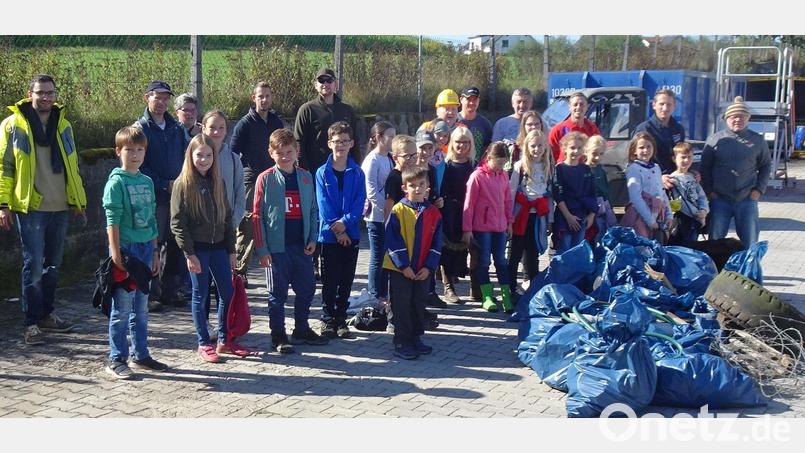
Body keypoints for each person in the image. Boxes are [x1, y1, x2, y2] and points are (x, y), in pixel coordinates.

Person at [0, 74, 86, 345]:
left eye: (50, 92)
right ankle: (31, 323)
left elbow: (73, 166)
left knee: (53, 265)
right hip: (31, 207)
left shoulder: (64, 125)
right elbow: (5, 167)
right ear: (30, 93)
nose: (46, 97)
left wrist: (78, 201)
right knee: (33, 265)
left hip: (61, 206)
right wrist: (3, 204)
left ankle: (47, 315)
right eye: (41, 92)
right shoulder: (13, 125)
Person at [170, 134, 246, 363]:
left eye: (208, 155)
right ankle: (204, 343)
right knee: (200, 295)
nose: (204, 159)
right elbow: (177, 223)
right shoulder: (182, 184)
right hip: (198, 250)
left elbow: (227, 218)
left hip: (220, 249)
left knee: (227, 292)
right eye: (199, 155)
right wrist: (189, 253)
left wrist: (232, 250)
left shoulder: (219, 182)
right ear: (190, 156)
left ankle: (224, 339)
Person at [253, 128, 329, 353]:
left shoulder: (305, 177)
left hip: (301, 246)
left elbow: (314, 210)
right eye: (280, 153)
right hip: (276, 249)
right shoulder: (265, 179)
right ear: (271, 153)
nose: (285, 157)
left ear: (297, 151)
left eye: (289, 151)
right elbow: (257, 215)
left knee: (306, 289)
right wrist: (262, 248)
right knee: (277, 295)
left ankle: (301, 329)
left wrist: (313, 238)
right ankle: (278, 335)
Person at [102, 126, 168, 378]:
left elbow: (151, 217)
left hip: (145, 248)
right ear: (119, 151)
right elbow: (112, 221)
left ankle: (141, 354)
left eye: (140, 150)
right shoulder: (116, 182)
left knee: (142, 307)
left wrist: (154, 250)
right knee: (122, 308)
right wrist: (116, 253)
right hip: (126, 250)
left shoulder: (147, 181)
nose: (135, 154)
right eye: (130, 150)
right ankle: (116, 357)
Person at [136, 80, 189, 311]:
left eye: (166, 98)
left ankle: (171, 290)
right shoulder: (140, 129)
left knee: (176, 244)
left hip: (177, 196)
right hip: (153, 197)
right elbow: (138, 165)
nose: (162, 102)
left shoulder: (176, 128)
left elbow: (187, 157)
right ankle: (151, 292)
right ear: (147, 97)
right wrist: (162, 184)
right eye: (157, 97)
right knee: (153, 245)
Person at [383, 167, 443, 360]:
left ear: (428, 187)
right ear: (404, 188)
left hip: (422, 269)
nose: (417, 189)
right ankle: (401, 341)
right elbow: (393, 240)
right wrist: (404, 266)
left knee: (418, 303)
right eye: (412, 185)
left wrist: (429, 267)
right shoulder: (398, 210)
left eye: (421, 185)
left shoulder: (433, 213)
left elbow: (436, 242)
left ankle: (415, 337)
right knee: (401, 305)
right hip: (401, 270)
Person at [315, 121, 366, 339]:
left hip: (351, 233)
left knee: (346, 279)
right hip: (329, 236)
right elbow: (323, 204)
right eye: (337, 141)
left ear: (352, 143)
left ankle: (341, 319)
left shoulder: (357, 172)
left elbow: (359, 203)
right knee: (330, 279)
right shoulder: (321, 173)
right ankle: (327, 319)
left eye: (345, 141)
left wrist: (346, 224)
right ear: (329, 143)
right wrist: (338, 229)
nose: (341, 145)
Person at [230, 81, 285, 279]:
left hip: (273, 178)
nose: (264, 100)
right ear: (254, 98)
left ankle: (276, 268)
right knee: (248, 224)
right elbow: (233, 152)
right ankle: (239, 271)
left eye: (267, 96)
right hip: (251, 179)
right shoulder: (245, 124)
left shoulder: (276, 122)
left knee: (273, 221)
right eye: (260, 96)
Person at [700, 96, 771, 248]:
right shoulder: (715, 139)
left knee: (750, 243)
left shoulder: (758, 140)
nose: (737, 120)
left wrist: (759, 190)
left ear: (748, 118)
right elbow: (704, 168)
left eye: (741, 116)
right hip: (720, 199)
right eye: (733, 117)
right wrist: (709, 192)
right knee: (714, 242)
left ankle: (749, 271)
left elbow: (766, 166)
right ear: (726, 119)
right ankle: (715, 270)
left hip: (747, 199)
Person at [200, 110, 246, 337]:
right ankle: (204, 326)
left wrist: (233, 223)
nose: (216, 132)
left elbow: (240, 194)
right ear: (203, 129)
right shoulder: (196, 155)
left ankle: (225, 326)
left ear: (226, 131)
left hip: (225, 231)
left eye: (221, 128)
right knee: (202, 284)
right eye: (211, 127)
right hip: (201, 232)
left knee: (224, 282)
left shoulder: (234, 160)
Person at [463, 142, 514, 313]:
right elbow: (469, 204)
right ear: (489, 158)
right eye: (499, 162)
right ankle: (486, 296)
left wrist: (509, 221)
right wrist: (467, 228)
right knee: (484, 261)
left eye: (504, 163)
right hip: (482, 227)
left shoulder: (504, 175)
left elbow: (507, 200)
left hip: (500, 227)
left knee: (501, 260)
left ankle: (506, 297)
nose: (501, 167)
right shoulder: (477, 176)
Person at [508, 129, 553, 293]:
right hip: (520, 215)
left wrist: (550, 219)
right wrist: (509, 219)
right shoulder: (520, 167)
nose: (536, 149)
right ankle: (510, 290)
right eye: (533, 146)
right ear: (527, 147)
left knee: (533, 255)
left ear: (545, 147)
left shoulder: (548, 167)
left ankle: (532, 290)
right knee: (514, 254)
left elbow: (550, 196)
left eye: (540, 145)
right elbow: (511, 193)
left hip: (538, 217)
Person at [295, 68, 359, 174]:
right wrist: (304, 170)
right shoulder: (307, 110)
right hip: (315, 171)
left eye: (329, 80)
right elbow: (299, 142)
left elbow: (355, 140)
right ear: (316, 85)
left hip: (345, 171)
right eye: (321, 81)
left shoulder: (347, 110)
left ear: (336, 84)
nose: (325, 84)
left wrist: (356, 166)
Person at [439, 127, 476, 304]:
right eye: (458, 142)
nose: (461, 145)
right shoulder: (445, 166)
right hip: (449, 212)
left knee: (473, 250)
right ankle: (449, 288)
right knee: (447, 251)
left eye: (465, 142)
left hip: (470, 212)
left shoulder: (474, 166)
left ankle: (475, 289)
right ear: (452, 143)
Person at [361, 121, 396, 303]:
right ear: (378, 138)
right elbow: (371, 190)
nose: (393, 140)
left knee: (387, 255)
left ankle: (384, 292)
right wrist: (385, 210)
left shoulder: (390, 158)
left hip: (390, 215)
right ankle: (374, 293)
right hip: (376, 216)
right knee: (377, 255)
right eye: (389, 136)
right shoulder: (372, 160)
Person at [620, 132, 673, 242]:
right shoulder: (633, 168)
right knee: (642, 246)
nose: (645, 150)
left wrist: (669, 214)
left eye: (649, 146)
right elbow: (636, 197)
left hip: (658, 213)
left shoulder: (656, 167)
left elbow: (661, 192)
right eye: (641, 147)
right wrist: (650, 221)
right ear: (634, 150)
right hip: (640, 216)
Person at [414, 129, 446, 308]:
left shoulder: (432, 170)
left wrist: (438, 200)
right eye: (423, 148)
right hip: (414, 217)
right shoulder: (411, 170)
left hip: (430, 216)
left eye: (430, 148)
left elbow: (435, 194)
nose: (426, 152)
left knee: (431, 253)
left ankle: (431, 291)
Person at [552, 132, 598, 253]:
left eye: (579, 148)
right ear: (564, 148)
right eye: (572, 147)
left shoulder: (586, 169)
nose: (576, 151)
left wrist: (591, 215)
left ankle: (575, 272)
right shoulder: (559, 169)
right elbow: (558, 195)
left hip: (582, 216)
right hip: (564, 216)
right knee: (564, 249)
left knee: (578, 250)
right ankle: (562, 272)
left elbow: (592, 193)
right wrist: (568, 216)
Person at [634, 89, 686, 185]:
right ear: (654, 105)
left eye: (669, 104)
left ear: (674, 106)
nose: (665, 108)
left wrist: (690, 172)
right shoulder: (644, 129)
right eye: (661, 104)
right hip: (651, 183)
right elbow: (636, 160)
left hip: (674, 181)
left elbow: (682, 154)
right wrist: (659, 177)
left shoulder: (678, 129)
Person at [667, 142, 709, 245]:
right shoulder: (672, 179)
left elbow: (701, 196)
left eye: (689, 157)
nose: (686, 160)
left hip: (695, 220)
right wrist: (695, 213)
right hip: (681, 219)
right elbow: (677, 203)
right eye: (683, 157)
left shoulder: (693, 177)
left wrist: (704, 211)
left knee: (693, 246)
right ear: (674, 159)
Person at [548, 92, 601, 163]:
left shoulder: (592, 129)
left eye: (581, 104)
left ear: (587, 107)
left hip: (586, 170)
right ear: (569, 107)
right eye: (575, 105)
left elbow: (597, 151)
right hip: (564, 171)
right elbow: (551, 156)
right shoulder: (558, 130)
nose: (578, 107)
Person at [584, 135, 616, 245]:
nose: (597, 157)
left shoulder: (600, 170)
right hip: (589, 211)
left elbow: (606, 191)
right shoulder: (583, 170)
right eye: (594, 153)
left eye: (601, 154)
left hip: (603, 210)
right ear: (586, 151)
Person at [457, 86, 493, 162]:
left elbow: (487, 149)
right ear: (461, 100)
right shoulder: (453, 120)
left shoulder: (485, 123)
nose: (472, 103)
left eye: (475, 100)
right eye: (468, 99)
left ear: (479, 101)